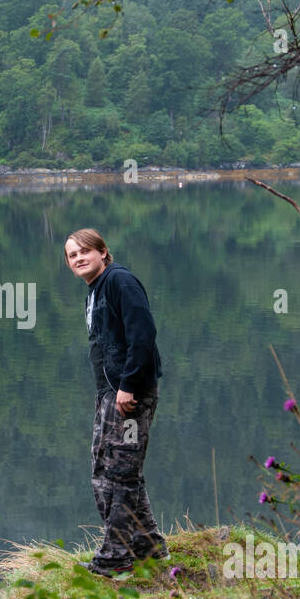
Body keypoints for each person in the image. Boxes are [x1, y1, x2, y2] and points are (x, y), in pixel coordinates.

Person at [64, 227, 168, 578]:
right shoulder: (97, 289)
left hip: (129, 396)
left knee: (120, 473)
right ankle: (147, 545)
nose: (78, 258)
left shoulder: (120, 281)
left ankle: (116, 555)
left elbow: (143, 333)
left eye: (84, 251)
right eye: (71, 255)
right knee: (104, 467)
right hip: (110, 393)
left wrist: (129, 385)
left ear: (103, 252)